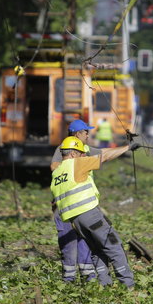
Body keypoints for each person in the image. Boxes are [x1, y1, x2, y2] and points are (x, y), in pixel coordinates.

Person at [50, 136, 140, 288]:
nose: (84, 155)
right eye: (81, 153)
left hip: (75, 221)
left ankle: (105, 284)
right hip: (89, 214)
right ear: (73, 154)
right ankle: (128, 286)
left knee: (97, 249)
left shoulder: (57, 173)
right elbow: (103, 156)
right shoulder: (76, 164)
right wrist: (127, 148)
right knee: (114, 245)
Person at [50, 119, 100, 282]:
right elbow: (55, 166)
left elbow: (104, 154)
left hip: (82, 203)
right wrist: (76, 165)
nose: (88, 134)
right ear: (77, 134)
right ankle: (69, 279)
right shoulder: (64, 148)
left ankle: (88, 276)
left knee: (85, 239)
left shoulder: (86, 150)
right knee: (68, 241)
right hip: (65, 204)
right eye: (86, 131)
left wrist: (127, 147)